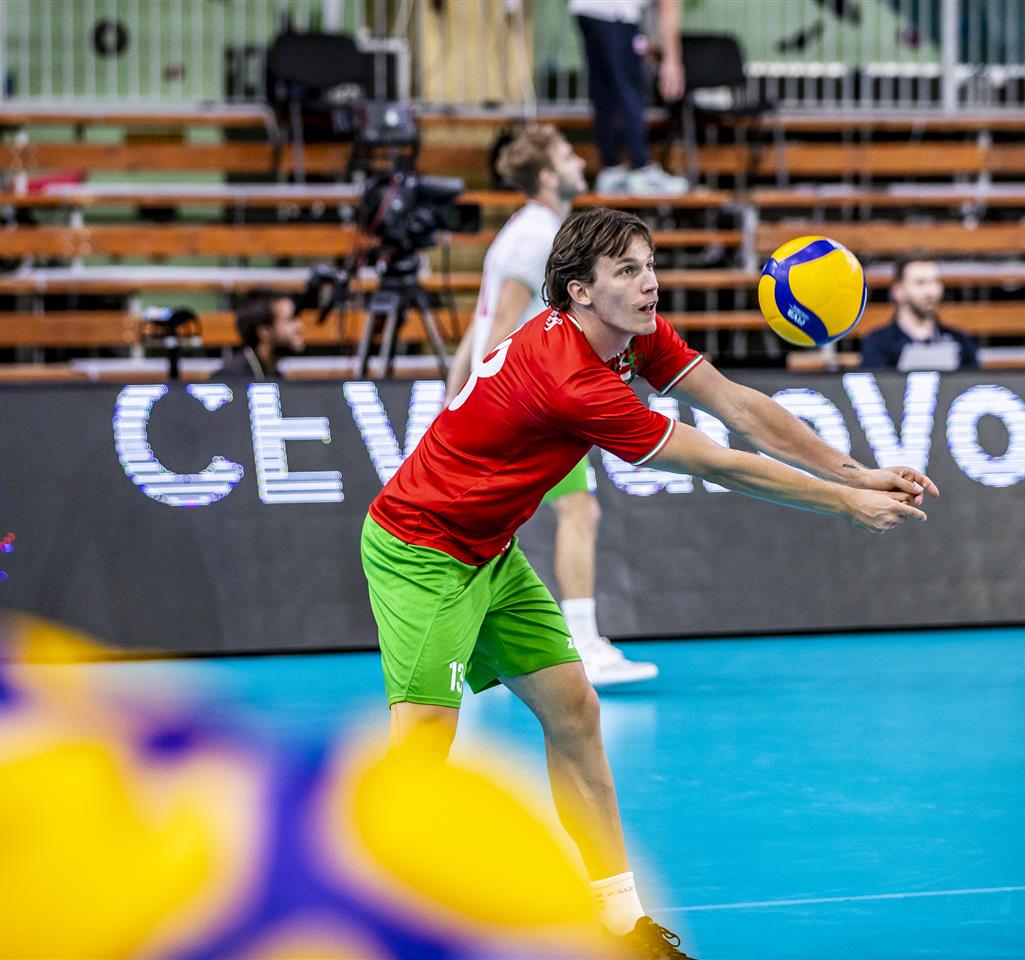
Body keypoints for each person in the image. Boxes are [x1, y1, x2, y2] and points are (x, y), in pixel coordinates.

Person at [361, 207, 938, 958]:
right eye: (628, 271)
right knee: (421, 749)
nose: (649, 283)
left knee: (575, 710)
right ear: (579, 291)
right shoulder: (568, 377)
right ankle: (355, 912)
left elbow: (737, 407)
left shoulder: (632, 336)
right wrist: (845, 506)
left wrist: (856, 472)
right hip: (421, 549)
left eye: (650, 265)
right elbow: (717, 461)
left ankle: (619, 922)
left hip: (490, 549)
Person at [448, 125, 658, 689]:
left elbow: (480, 321)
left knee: (498, 526)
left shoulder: (524, 229)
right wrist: (480, 401)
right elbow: (497, 323)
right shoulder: (538, 235)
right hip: (530, 404)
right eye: (567, 155)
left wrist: (458, 391)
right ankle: (584, 645)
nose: (579, 162)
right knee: (577, 513)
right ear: (546, 175)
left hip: (516, 401)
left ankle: (476, 649)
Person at [570, 0, 690, 196]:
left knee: (605, 91)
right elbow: (668, 6)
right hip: (616, 13)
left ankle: (612, 169)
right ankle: (640, 168)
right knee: (629, 90)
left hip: (588, 10)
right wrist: (672, 61)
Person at [859, 257, 979, 370]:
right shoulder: (878, 343)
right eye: (920, 283)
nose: (931, 292)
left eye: (934, 282)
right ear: (898, 291)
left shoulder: (960, 340)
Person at [212, 290, 305, 380]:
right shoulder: (230, 380)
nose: (299, 325)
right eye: (290, 320)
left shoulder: (273, 374)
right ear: (265, 332)